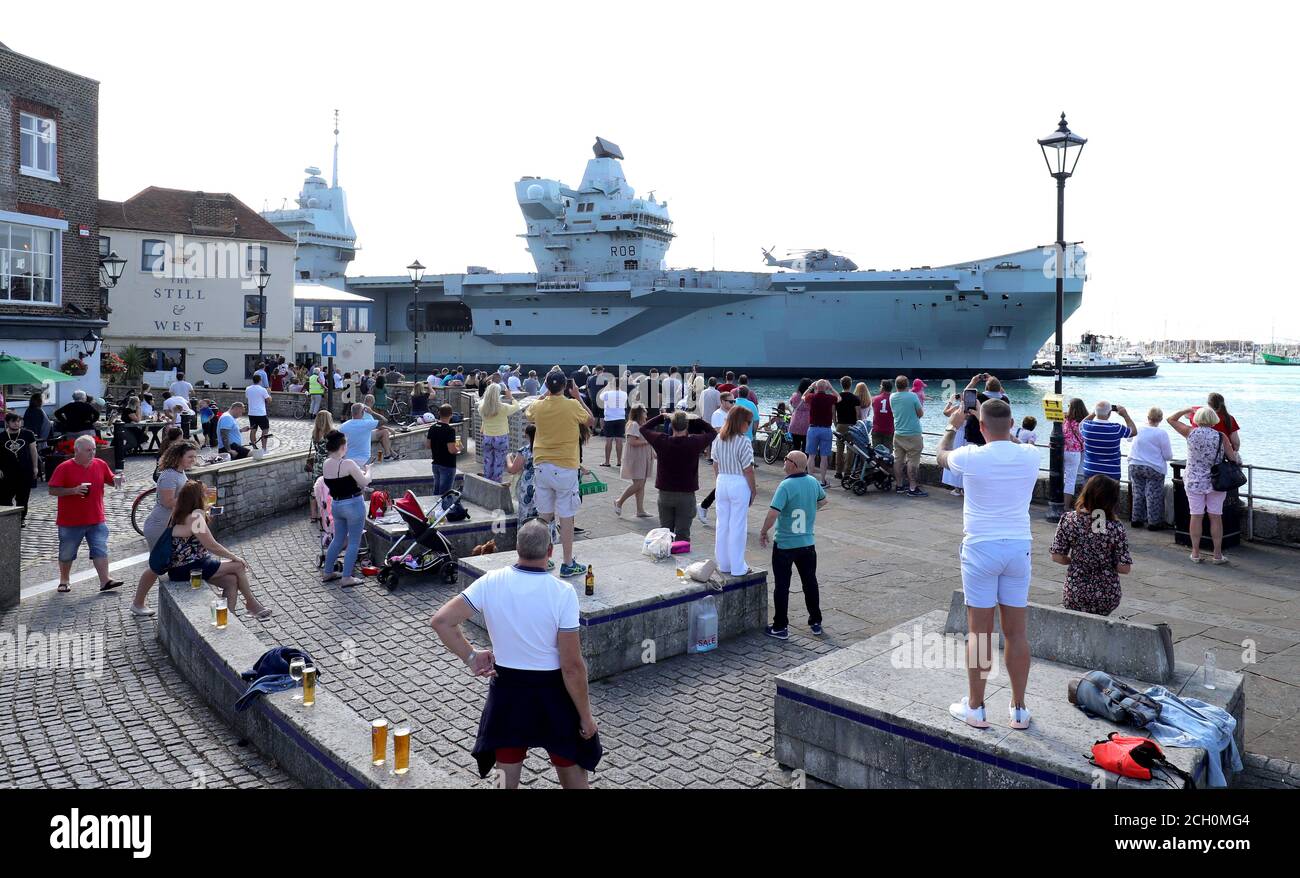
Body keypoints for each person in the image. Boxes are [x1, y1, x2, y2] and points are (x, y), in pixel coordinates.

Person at [430, 519, 601, 788]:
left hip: (507, 693)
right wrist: (586, 716)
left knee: (504, 780)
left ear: (516, 549)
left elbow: (441, 621)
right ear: (550, 552)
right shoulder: (563, 593)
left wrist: (472, 657)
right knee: (573, 773)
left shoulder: (491, 582)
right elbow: (571, 667)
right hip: (554, 694)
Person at [935, 398, 1039, 730]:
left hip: (981, 548)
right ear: (1012, 424)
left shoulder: (971, 457)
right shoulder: (1030, 455)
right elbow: (1016, 441)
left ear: (980, 427)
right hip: (1018, 547)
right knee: (1016, 633)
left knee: (980, 634)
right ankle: (1019, 709)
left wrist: (951, 429)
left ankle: (977, 708)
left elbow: (940, 458)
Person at [165, 481, 270, 618]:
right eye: (205, 493)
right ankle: (251, 603)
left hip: (184, 566)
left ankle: (228, 617)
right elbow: (211, 545)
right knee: (238, 565)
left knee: (231, 581)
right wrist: (234, 557)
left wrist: (206, 513)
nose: (207, 495)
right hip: (188, 567)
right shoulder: (195, 517)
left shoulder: (181, 513)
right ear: (198, 497)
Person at [525, 372, 593, 577]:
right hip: (565, 466)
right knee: (566, 516)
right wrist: (578, 396)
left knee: (544, 516)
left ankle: (542, 559)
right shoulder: (572, 406)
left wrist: (545, 393)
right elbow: (590, 420)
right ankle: (567, 562)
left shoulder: (539, 406)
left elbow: (527, 412)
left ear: (546, 385)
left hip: (542, 466)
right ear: (565, 386)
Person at [760, 450, 828, 640]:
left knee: (782, 586)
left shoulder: (785, 485)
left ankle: (780, 626)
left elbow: (773, 513)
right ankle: (815, 621)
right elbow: (823, 500)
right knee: (810, 583)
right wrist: (809, 510)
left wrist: (764, 531)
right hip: (807, 544)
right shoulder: (813, 482)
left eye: (786, 459)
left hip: (785, 544)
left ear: (793, 464)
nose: (783, 462)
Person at [47, 435, 125, 593]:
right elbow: (52, 490)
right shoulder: (64, 467)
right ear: (77, 451)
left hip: (96, 517)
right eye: (88, 450)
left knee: (100, 549)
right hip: (70, 520)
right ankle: (64, 580)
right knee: (67, 552)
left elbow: (110, 479)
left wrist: (117, 480)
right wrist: (73, 490)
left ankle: (105, 580)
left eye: (94, 449)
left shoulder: (100, 464)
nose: (92, 453)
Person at [130, 440, 199, 616]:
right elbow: (168, 502)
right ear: (178, 457)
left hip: (167, 524)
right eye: (190, 456)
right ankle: (138, 603)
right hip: (159, 525)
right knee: (157, 565)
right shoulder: (169, 475)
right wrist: (195, 500)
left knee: (167, 563)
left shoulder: (179, 473)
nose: (193, 459)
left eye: (194, 456)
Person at [1050, 475, 1133, 616]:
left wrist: (1077, 561)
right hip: (1107, 594)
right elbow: (1124, 568)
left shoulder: (1068, 520)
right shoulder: (1115, 527)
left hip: (1075, 591)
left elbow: (1057, 557)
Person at [1168, 406, 1240, 564]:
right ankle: (1217, 555)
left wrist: (1185, 409)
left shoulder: (1190, 432)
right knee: (1215, 517)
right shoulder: (1221, 436)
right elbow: (1232, 458)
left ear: (1196, 419)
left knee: (1196, 516)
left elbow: (1170, 420)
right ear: (1214, 419)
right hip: (1216, 483)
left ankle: (1195, 553)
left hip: (1194, 481)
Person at [640, 410, 717, 543]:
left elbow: (643, 428)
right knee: (683, 535)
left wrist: (661, 417)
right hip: (686, 494)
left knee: (665, 533)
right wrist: (697, 419)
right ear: (686, 426)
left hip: (665, 493)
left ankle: (665, 555)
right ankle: (682, 559)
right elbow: (712, 432)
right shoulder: (694, 442)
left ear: (672, 426)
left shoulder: (662, 441)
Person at [319, 429, 372, 587]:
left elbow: (340, 481)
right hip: (353, 504)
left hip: (336, 505)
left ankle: (328, 572)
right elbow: (364, 482)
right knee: (354, 541)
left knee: (338, 539)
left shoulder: (326, 464)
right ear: (342, 447)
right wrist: (369, 471)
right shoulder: (348, 463)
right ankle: (347, 577)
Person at [711, 404, 757, 577]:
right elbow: (748, 469)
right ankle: (738, 567)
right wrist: (753, 490)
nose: (749, 425)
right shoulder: (743, 441)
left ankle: (724, 563)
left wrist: (720, 480)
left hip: (722, 480)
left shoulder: (718, 439)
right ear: (741, 422)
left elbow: (715, 464)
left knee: (722, 524)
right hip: (738, 482)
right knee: (737, 525)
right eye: (748, 422)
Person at [1127, 407, 1174, 530]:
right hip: (1153, 467)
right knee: (1153, 495)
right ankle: (1153, 523)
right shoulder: (1161, 433)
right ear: (1160, 419)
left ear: (1147, 417)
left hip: (1135, 464)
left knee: (1138, 493)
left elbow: (1129, 438)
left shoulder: (1138, 428)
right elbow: (1168, 456)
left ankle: (1136, 520)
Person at [0, 411, 40, 524]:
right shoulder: (2, 436)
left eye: (19, 421)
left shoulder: (28, 434)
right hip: (7, 471)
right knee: (4, 496)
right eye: (14, 421)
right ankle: (7, 517)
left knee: (23, 497)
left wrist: (35, 467)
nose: (17, 424)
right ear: (7, 423)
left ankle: (21, 518)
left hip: (25, 470)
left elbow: (33, 451)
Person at [889, 375, 926, 497]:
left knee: (898, 460)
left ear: (896, 385)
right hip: (913, 433)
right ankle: (912, 487)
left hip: (898, 433)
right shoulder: (912, 396)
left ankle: (899, 485)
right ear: (907, 385)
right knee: (913, 460)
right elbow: (920, 413)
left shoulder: (892, 397)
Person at [615, 406, 655, 518]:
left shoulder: (639, 424)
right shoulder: (633, 425)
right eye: (644, 412)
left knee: (641, 484)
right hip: (636, 457)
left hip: (641, 456)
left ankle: (640, 510)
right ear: (639, 413)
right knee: (639, 483)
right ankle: (619, 501)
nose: (646, 415)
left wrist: (652, 451)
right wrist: (648, 441)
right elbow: (632, 441)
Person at [1081, 401, 1136, 481]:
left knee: (1091, 493)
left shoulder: (1086, 426)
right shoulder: (1117, 428)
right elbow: (1133, 431)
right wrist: (1125, 415)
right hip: (1111, 472)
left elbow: (1080, 425)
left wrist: (1093, 413)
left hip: (1091, 470)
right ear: (1110, 413)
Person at [478, 383, 518, 482]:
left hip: (487, 437)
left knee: (488, 462)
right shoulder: (503, 407)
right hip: (500, 438)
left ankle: (488, 482)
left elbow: (484, 419)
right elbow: (517, 407)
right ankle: (496, 484)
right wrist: (511, 397)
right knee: (498, 463)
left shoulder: (481, 407)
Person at [803, 379, 839, 487]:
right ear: (826, 387)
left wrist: (810, 387)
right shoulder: (830, 398)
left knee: (811, 456)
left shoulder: (812, 397)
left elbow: (803, 397)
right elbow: (839, 398)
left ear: (816, 387)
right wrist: (831, 388)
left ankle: (810, 481)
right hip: (826, 429)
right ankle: (823, 481)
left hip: (813, 429)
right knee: (824, 457)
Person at [506, 424, 538, 525]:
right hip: (543, 483)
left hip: (527, 486)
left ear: (527, 435)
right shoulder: (546, 449)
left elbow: (512, 469)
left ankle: (526, 537)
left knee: (526, 513)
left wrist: (508, 458)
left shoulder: (525, 451)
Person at [426, 404, 462, 496]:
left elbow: (428, 445)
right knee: (445, 493)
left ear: (439, 413)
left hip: (436, 464)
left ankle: (435, 510)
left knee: (436, 491)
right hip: (447, 465)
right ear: (451, 415)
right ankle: (442, 510)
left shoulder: (432, 427)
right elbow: (451, 450)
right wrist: (459, 448)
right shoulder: (450, 430)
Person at [941, 394, 971, 496]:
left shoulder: (957, 408)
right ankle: (964, 488)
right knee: (966, 461)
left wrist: (950, 401)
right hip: (967, 437)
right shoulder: (972, 410)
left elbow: (945, 412)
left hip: (957, 435)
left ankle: (957, 488)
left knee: (955, 459)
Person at [308, 410, 336, 521]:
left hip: (317, 463)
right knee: (329, 489)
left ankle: (313, 515)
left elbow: (316, 449)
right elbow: (333, 451)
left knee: (315, 489)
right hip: (328, 463)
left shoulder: (315, 433)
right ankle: (325, 514)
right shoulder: (332, 434)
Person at [1063, 397, 1087, 509]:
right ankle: (1066, 506)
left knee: (1062, 477)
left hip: (1062, 450)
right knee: (1071, 480)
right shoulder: (1083, 423)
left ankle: (1060, 503)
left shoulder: (1065, 419)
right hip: (1075, 452)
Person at [598, 378, 628, 468]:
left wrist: (608, 386)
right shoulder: (624, 394)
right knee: (619, 440)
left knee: (609, 440)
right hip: (621, 418)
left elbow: (600, 397)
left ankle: (607, 462)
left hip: (609, 419)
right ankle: (619, 461)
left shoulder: (607, 394)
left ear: (612, 384)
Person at [245, 374, 272, 451]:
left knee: (253, 430)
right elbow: (269, 400)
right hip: (261, 413)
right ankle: (264, 448)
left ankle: (254, 448)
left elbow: (247, 397)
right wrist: (269, 393)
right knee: (265, 430)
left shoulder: (248, 389)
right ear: (260, 380)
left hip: (251, 413)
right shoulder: (262, 389)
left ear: (253, 380)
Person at [786, 378, 812, 452]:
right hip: (807, 424)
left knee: (796, 446)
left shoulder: (795, 396)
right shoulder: (811, 397)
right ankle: (804, 462)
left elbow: (791, 403)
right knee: (806, 448)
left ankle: (794, 462)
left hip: (795, 423)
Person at [869, 379, 893, 450]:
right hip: (889, 430)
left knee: (876, 453)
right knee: (887, 453)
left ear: (882, 387)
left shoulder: (875, 399)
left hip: (877, 429)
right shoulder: (894, 399)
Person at [585, 366, 607, 434]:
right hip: (601, 400)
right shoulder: (604, 379)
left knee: (595, 415)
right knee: (602, 415)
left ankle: (593, 430)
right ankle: (602, 430)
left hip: (594, 399)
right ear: (600, 371)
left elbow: (588, 388)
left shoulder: (591, 379)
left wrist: (591, 396)